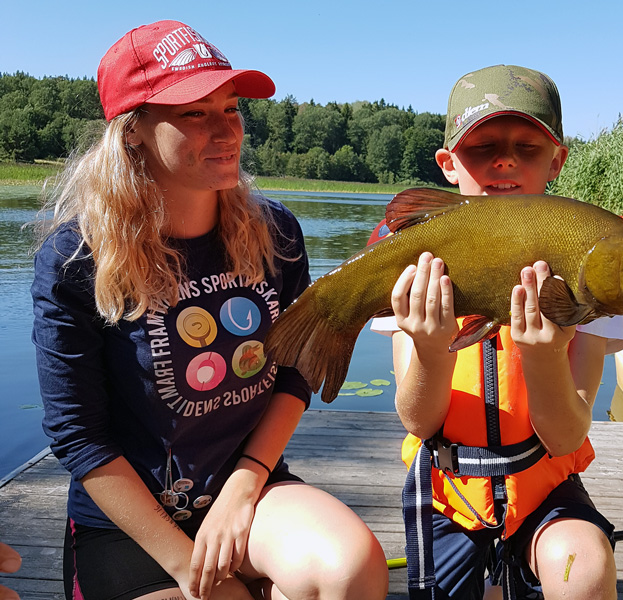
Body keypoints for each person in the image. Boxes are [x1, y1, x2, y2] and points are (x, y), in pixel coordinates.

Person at [31, 20, 388, 600]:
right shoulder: (75, 259)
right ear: (133, 132)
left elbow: (296, 369)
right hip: (129, 523)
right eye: (196, 113)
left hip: (247, 488)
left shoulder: (277, 233)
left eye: (231, 107)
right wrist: (188, 567)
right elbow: (79, 436)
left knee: (350, 569)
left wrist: (244, 487)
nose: (226, 130)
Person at [372, 65, 623, 599]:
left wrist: (545, 358)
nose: (504, 160)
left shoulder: (593, 259)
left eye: (527, 147)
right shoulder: (413, 254)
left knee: (583, 568)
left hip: (545, 487)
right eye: (481, 147)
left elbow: (566, 438)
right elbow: (419, 419)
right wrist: (429, 347)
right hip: (449, 492)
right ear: (447, 164)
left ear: (557, 160)